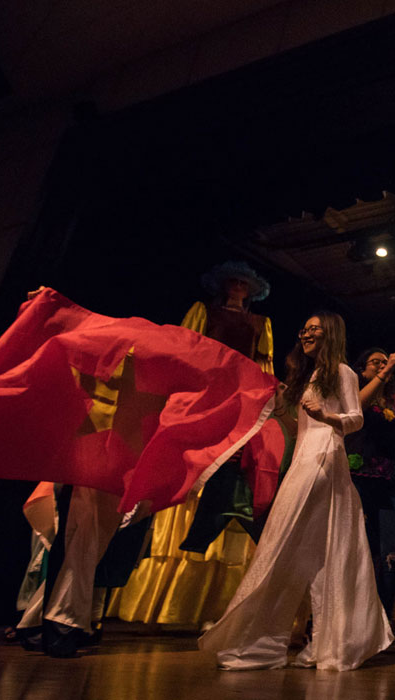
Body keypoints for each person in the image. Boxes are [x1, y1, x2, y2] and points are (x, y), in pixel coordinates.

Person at [199, 312, 392, 670]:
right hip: (305, 461)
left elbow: (355, 418)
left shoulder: (343, 372)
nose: (306, 334)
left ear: (330, 333)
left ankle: (297, 640)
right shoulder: (311, 374)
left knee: (295, 545)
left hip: (324, 462)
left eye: (314, 329)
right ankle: (276, 639)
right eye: (304, 329)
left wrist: (326, 417)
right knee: (302, 550)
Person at [110, 261, 275, 628]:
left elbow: (264, 365)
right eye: (232, 282)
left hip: (239, 397)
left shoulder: (260, 325)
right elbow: (185, 349)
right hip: (204, 391)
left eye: (243, 284)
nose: (237, 288)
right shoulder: (204, 312)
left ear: (251, 290)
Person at [346, 347, 395, 634]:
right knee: (361, 551)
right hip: (357, 482)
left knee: (391, 552)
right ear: (362, 371)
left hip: (386, 484)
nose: (384, 366)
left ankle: (383, 619)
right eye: (376, 363)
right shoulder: (354, 395)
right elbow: (355, 409)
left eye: (386, 363)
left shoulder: (392, 405)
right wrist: (385, 373)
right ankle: (358, 620)